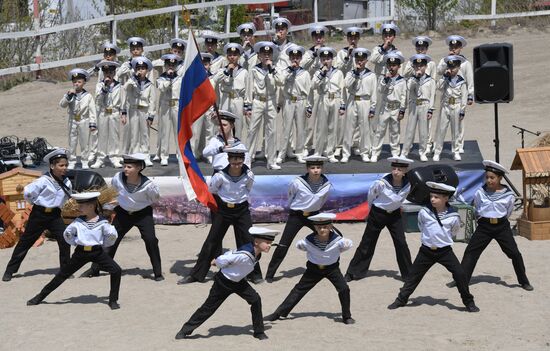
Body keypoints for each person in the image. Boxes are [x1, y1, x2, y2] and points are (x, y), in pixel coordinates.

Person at [387, 181, 480, 313]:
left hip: (445, 251)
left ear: (446, 198)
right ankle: (401, 300)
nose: (432, 199)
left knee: (460, 274)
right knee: (413, 276)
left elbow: (454, 231)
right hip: (426, 251)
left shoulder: (453, 216)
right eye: (431, 196)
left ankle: (469, 302)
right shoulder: (424, 212)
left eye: (436, 197)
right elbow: (421, 226)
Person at [175, 227, 279, 340]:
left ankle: (259, 332)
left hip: (239, 282)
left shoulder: (257, 253)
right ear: (256, 242)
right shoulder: (244, 254)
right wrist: (217, 262)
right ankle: (185, 330)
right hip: (223, 282)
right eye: (267, 242)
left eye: (270, 243)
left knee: (255, 300)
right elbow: (227, 257)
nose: (269, 245)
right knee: (208, 308)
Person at [178, 147, 262, 284]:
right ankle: (196, 275)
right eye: (234, 162)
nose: (237, 165)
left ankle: (254, 274)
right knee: (212, 241)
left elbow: (248, 188)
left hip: (242, 210)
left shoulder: (249, 175)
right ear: (228, 160)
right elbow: (213, 190)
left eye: (240, 162)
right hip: (224, 210)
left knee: (249, 241)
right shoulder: (220, 176)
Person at [26, 192, 122, 310]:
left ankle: (113, 300)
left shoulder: (103, 222)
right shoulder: (78, 222)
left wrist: (103, 244)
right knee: (62, 275)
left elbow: (111, 236)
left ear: (91, 206)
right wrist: (75, 242)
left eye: (82, 205)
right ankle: (40, 296)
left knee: (116, 270)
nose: (78, 207)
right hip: (80, 253)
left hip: (97, 252)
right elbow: (68, 234)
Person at [452, 160, 533, 291]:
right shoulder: (480, 192)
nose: (489, 180)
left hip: (501, 226)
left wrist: (498, 220)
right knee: (471, 252)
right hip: (484, 226)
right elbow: (477, 208)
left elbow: (508, 211)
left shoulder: (509, 195)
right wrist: (484, 220)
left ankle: (523, 281)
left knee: (514, 254)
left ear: (500, 178)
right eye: (487, 177)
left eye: (492, 178)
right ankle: (461, 280)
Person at [81, 153, 162, 280]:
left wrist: (136, 204)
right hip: (123, 213)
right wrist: (114, 203)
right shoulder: (118, 177)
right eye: (124, 166)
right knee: (110, 239)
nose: (125, 169)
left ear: (139, 168)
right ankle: (95, 269)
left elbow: (155, 198)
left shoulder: (149, 185)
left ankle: (158, 273)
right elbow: (114, 190)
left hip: (142, 214)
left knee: (151, 240)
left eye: (129, 167)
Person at [265, 213, 355, 325]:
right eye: (319, 227)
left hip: (332, 269)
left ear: (331, 227)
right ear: (315, 227)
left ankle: (347, 316)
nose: (322, 229)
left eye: (325, 227)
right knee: (298, 290)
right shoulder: (307, 241)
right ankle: (278, 313)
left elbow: (346, 245)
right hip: (313, 270)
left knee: (344, 289)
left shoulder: (339, 241)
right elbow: (300, 246)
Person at [2, 149, 72, 282]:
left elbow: (67, 197)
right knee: (25, 242)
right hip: (39, 214)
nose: (64, 168)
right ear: (52, 166)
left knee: (64, 240)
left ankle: (65, 270)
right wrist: (34, 203)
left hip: (55, 215)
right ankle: (10, 270)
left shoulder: (67, 182)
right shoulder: (43, 181)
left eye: (66, 165)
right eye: (61, 165)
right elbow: (28, 192)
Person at [345, 156, 413, 282]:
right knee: (367, 243)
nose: (396, 171)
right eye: (394, 168)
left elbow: (403, 198)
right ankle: (353, 272)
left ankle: (408, 275)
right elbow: (371, 196)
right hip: (378, 213)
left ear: (405, 171)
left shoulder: (408, 183)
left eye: (399, 169)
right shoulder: (381, 183)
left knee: (401, 243)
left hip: (395, 215)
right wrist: (371, 212)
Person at [265, 156, 332, 282]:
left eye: (318, 167)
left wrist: (314, 209)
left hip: (314, 216)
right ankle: (270, 274)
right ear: (307, 169)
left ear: (322, 168)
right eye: (312, 168)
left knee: (328, 239)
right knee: (284, 244)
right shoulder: (297, 182)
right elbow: (290, 197)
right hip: (297, 216)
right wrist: (297, 209)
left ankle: (327, 268)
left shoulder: (327, 184)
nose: (316, 170)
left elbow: (323, 200)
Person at [436, 35, 474, 154]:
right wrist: (446, 62)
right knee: (441, 122)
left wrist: (470, 95)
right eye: (452, 47)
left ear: (460, 48)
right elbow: (438, 71)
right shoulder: (445, 60)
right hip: (446, 94)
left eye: (456, 47)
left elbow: (469, 79)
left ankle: (458, 145)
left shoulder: (465, 63)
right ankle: (437, 146)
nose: (453, 49)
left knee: (459, 122)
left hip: (459, 94)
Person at [275, 45, 312, 164]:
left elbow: (309, 91)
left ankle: (300, 152)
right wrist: (289, 70)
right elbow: (280, 81)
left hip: (301, 101)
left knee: (301, 129)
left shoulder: (305, 73)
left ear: (301, 59)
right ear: (289, 58)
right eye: (293, 57)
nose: (295, 59)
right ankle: (282, 153)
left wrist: (309, 106)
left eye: (297, 57)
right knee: (286, 129)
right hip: (288, 101)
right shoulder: (285, 71)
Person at [246, 41, 280, 170]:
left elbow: (281, 82)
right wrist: (247, 105)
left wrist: (272, 69)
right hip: (258, 101)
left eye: (269, 54)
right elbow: (249, 88)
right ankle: (247, 159)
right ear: (259, 56)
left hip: (271, 101)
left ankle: (271, 161)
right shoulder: (254, 70)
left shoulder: (276, 69)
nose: (266, 56)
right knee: (252, 130)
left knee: (272, 131)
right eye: (263, 54)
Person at [341, 48, 377, 163]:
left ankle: (365, 152)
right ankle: (345, 153)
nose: (359, 62)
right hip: (352, 100)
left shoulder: (371, 75)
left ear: (366, 60)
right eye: (358, 59)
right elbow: (346, 85)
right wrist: (355, 73)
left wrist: (373, 107)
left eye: (362, 60)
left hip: (365, 101)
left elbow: (374, 92)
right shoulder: (350, 73)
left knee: (365, 129)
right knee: (349, 129)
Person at [370, 52, 407, 162]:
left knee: (395, 131)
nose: (392, 67)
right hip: (385, 108)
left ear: (399, 66)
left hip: (396, 108)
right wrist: (386, 79)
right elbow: (380, 90)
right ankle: (375, 152)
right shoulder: (383, 78)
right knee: (380, 131)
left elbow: (404, 96)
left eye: (394, 65)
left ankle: (395, 152)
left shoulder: (402, 80)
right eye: (390, 65)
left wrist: (402, 110)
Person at [311, 47, 345, 163]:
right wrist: (322, 74)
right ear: (320, 60)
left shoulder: (338, 72)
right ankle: (318, 151)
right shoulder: (318, 72)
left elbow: (342, 90)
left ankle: (330, 152)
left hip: (335, 98)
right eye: (323, 59)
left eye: (328, 59)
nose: (326, 61)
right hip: (323, 98)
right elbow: (313, 85)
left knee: (332, 127)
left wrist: (342, 105)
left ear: (332, 60)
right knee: (321, 127)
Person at [121, 56, 156, 167]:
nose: (140, 70)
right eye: (138, 68)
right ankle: (135, 155)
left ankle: (146, 155)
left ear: (147, 70)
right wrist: (133, 79)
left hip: (144, 111)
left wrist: (151, 115)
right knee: (134, 134)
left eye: (143, 68)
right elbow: (125, 89)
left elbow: (152, 101)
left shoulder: (149, 84)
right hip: (133, 110)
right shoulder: (131, 82)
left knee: (145, 134)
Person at [400, 54, 436, 162]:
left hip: (424, 105)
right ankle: (405, 152)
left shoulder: (430, 80)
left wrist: (431, 109)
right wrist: (416, 77)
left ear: (425, 67)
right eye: (416, 66)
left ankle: (423, 152)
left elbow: (432, 95)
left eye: (421, 66)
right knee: (410, 129)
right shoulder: (411, 79)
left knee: (423, 131)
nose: (419, 68)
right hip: (413, 105)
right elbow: (409, 88)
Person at [59, 68, 97, 169]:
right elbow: (62, 105)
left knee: (84, 142)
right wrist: (68, 96)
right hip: (73, 120)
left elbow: (92, 111)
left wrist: (92, 124)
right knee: (72, 141)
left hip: (84, 120)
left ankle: (84, 160)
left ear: (84, 82)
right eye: (75, 82)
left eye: (79, 82)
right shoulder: (70, 94)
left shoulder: (88, 96)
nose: (77, 84)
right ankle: (71, 160)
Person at [432, 55, 468, 162]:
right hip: (446, 106)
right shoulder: (445, 78)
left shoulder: (461, 81)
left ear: (458, 67)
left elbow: (464, 96)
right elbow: (438, 87)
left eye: (454, 68)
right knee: (441, 129)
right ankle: (437, 152)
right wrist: (444, 77)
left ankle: (456, 151)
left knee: (455, 130)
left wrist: (462, 110)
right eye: (450, 67)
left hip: (456, 106)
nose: (451, 70)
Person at [91, 60, 123, 169]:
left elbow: (123, 100)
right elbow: (98, 100)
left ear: (114, 73)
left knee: (114, 136)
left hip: (114, 112)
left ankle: (114, 157)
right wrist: (104, 88)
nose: (108, 74)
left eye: (110, 72)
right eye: (106, 72)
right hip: (103, 112)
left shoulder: (119, 85)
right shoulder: (99, 85)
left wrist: (123, 113)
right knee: (102, 136)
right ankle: (100, 158)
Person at [212, 43, 248, 140]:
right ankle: (223, 146)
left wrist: (246, 106)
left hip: (238, 99)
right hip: (225, 98)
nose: (232, 57)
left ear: (239, 56)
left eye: (235, 55)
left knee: (238, 126)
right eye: (230, 55)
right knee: (223, 124)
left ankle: (237, 147)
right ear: (227, 56)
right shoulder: (222, 70)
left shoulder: (244, 71)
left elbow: (247, 90)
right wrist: (227, 70)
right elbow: (215, 80)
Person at [155, 53, 183, 166]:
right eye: (168, 65)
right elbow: (161, 88)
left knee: (178, 132)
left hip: (176, 104)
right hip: (165, 105)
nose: (171, 67)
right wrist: (169, 79)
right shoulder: (161, 78)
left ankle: (180, 154)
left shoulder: (180, 78)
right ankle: (164, 155)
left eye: (173, 65)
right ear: (165, 65)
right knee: (164, 131)